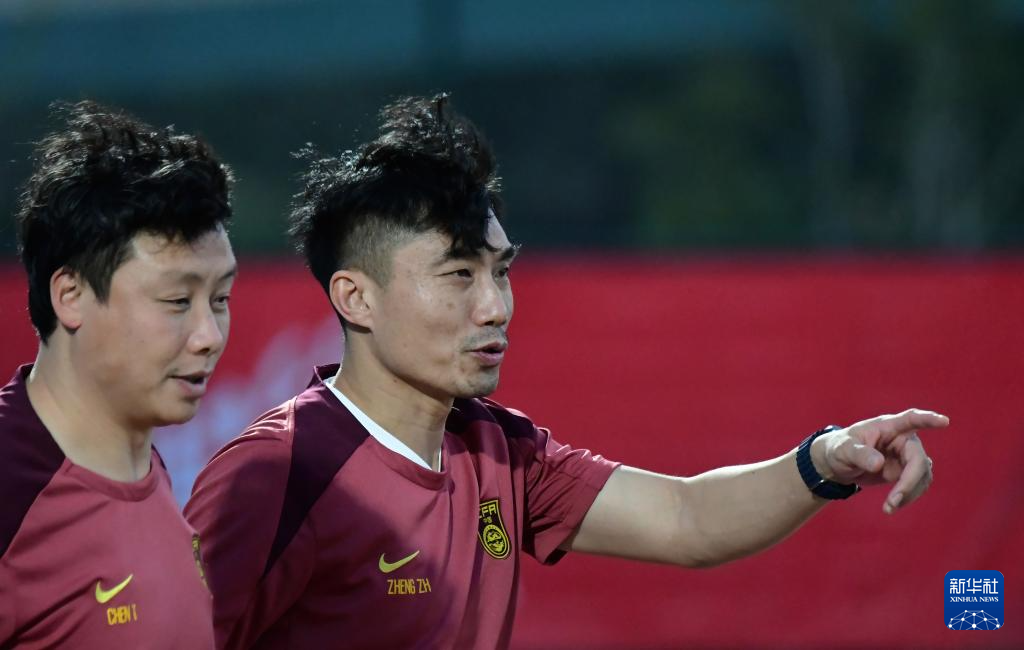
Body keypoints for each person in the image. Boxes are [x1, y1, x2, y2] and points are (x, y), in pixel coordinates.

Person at [184, 94, 947, 650]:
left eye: (501, 271)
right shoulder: (276, 474)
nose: (495, 306)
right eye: (458, 275)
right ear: (356, 298)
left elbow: (688, 519)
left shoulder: (499, 450)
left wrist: (826, 459)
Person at [0, 101, 237, 648]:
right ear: (71, 295)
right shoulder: (12, 488)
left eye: (221, 298)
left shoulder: (148, 470)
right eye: (177, 301)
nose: (209, 335)